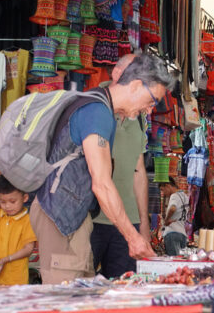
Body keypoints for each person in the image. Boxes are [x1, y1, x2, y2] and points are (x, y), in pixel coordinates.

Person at [29, 54, 174, 284]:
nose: (149, 110)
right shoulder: (96, 112)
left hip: (74, 218)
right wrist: (133, 237)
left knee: (84, 297)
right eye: (151, 101)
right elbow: (102, 184)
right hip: (61, 216)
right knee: (66, 302)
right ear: (137, 85)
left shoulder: (102, 108)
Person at [90, 54, 151, 279]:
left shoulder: (140, 117)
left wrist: (143, 223)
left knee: (123, 291)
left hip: (129, 221)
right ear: (116, 74)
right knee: (81, 291)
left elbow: (139, 172)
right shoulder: (94, 105)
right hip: (91, 218)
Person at [0, 176, 37, 286]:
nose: (7, 206)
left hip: (16, 280)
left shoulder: (28, 220)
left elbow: (28, 248)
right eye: (2, 202)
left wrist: (6, 260)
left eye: (12, 201)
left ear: (25, 198)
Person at [161, 178, 190, 255]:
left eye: (163, 189)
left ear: (167, 185)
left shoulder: (174, 196)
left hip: (172, 233)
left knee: (173, 262)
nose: (163, 193)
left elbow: (173, 208)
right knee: (180, 262)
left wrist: (166, 220)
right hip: (182, 234)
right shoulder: (185, 196)